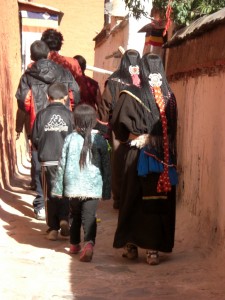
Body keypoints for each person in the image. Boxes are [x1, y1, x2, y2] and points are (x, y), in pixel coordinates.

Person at [111, 53, 178, 265]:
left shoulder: (130, 94)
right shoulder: (170, 97)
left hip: (137, 153)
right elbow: (173, 130)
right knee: (158, 200)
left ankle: (131, 246)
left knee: (133, 198)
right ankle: (153, 250)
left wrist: (133, 137)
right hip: (163, 156)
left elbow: (118, 125)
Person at [15, 40, 80, 220]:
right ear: (48, 54)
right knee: (65, 166)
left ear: (32, 56)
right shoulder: (64, 72)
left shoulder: (28, 75)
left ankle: (41, 205)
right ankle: (64, 212)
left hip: (39, 123)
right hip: (64, 124)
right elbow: (75, 94)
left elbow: (24, 101)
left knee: (39, 164)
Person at [52, 104, 111, 262]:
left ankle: (74, 244)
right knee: (89, 217)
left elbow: (62, 164)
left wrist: (58, 188)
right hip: (93, 186)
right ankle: (89, 245)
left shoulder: (70, 138)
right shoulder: (100, 139)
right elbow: (106, 166)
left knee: (75, 215)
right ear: (93, 120)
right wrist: (106, 190)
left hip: (73, 186)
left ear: (76, 120)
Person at [98, 49, 141, 209]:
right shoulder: (143, 79)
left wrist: (102, 124)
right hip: (139, 127)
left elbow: (105, 104)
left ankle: (118, 197)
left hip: (118, 126)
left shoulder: (114, 80)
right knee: (137, 158)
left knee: (117, 160)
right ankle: (134, 196)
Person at [31, 82, 75, 240]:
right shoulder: (70, 115)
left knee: (49, 193)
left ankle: (53, 229)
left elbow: (35, 137)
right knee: (65, 191)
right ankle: (64, 218)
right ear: (65, 98)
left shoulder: (42, 115)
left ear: (48, 97)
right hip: (66, 160)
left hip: (47, 160)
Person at [41, 28, 86, 109]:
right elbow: (79, 89)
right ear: (60, 45)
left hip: (42, 110)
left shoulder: (36, 65)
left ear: (43, 45)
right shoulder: (73, 63)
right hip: (65, 110)